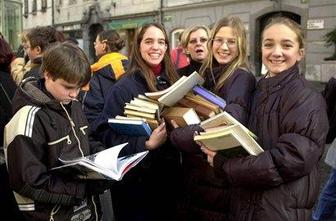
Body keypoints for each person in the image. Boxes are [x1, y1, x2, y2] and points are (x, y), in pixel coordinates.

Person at [201, 17, 329, 221]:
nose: (276, 52)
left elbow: (290, 159)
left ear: (300, 53)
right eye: (269, 44)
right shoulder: (258, 89)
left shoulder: (307, 97)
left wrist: (225, 165)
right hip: (246, 205)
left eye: (286, 45)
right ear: (261, 48)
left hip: (280, 211)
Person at [3, 42, 113, 221]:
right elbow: (28, 181)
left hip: (84, 210)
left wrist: (101, 156)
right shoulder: (28, 117)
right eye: (68, 87)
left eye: (79, 88)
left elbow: (85, 137)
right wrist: (81, 190)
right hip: (50, 214)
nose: (74, 94)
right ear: (47, 75)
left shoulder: (72, 103)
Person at [170, 16, 256, 221]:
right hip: (198, 174)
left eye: (232, 41)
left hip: (217, 178)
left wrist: (178, 135)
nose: (224, 47)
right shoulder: (206, 73)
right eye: (219, 40)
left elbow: (229, 121)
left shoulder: (241, 77)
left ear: (241, 45)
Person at [94, 23, 181, 221]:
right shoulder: (124, 86)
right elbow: (103, 132)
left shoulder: (174, 80)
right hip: (137, 186)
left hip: (170, 181)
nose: (155, 47)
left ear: (167, 47)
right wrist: (145, 144)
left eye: (161, 42)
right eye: (148, 41)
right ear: (138, 46)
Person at [83, 29, 128, 131]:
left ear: (103, 45)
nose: (94, 46)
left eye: (96, 43)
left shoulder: (93, 73)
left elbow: (91, 113)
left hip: (106, 132)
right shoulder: (131, 67)